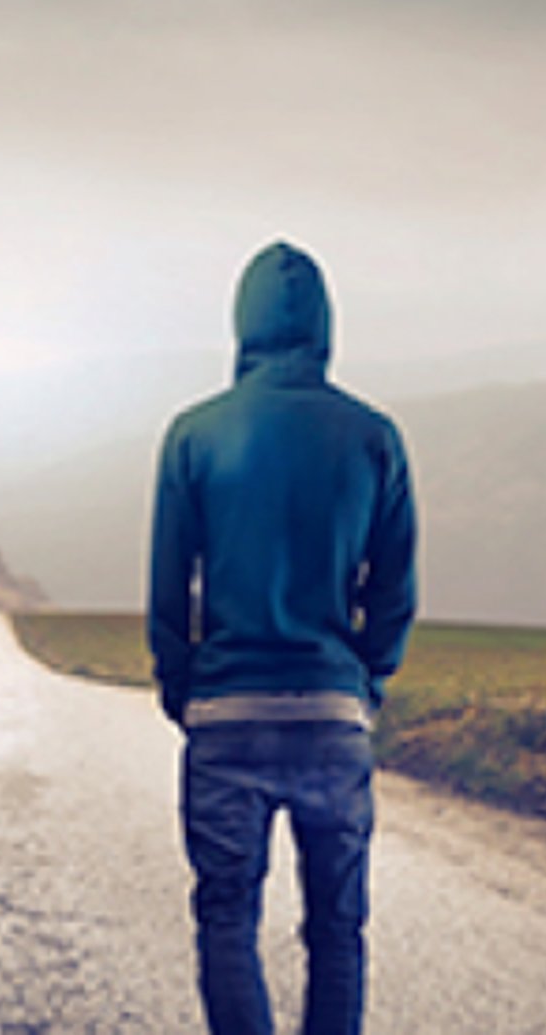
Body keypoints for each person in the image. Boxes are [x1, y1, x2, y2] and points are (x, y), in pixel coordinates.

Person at [148, 239, 417, 1035]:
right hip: (333, 713)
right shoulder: (375, 436)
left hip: (225, 713)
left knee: (227, 916)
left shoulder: (192, 434)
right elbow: (394, 590)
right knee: (338, 927)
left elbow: (169, 590)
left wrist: (184, 690)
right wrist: (365, 683)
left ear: (242, 324)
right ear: (326, 327)